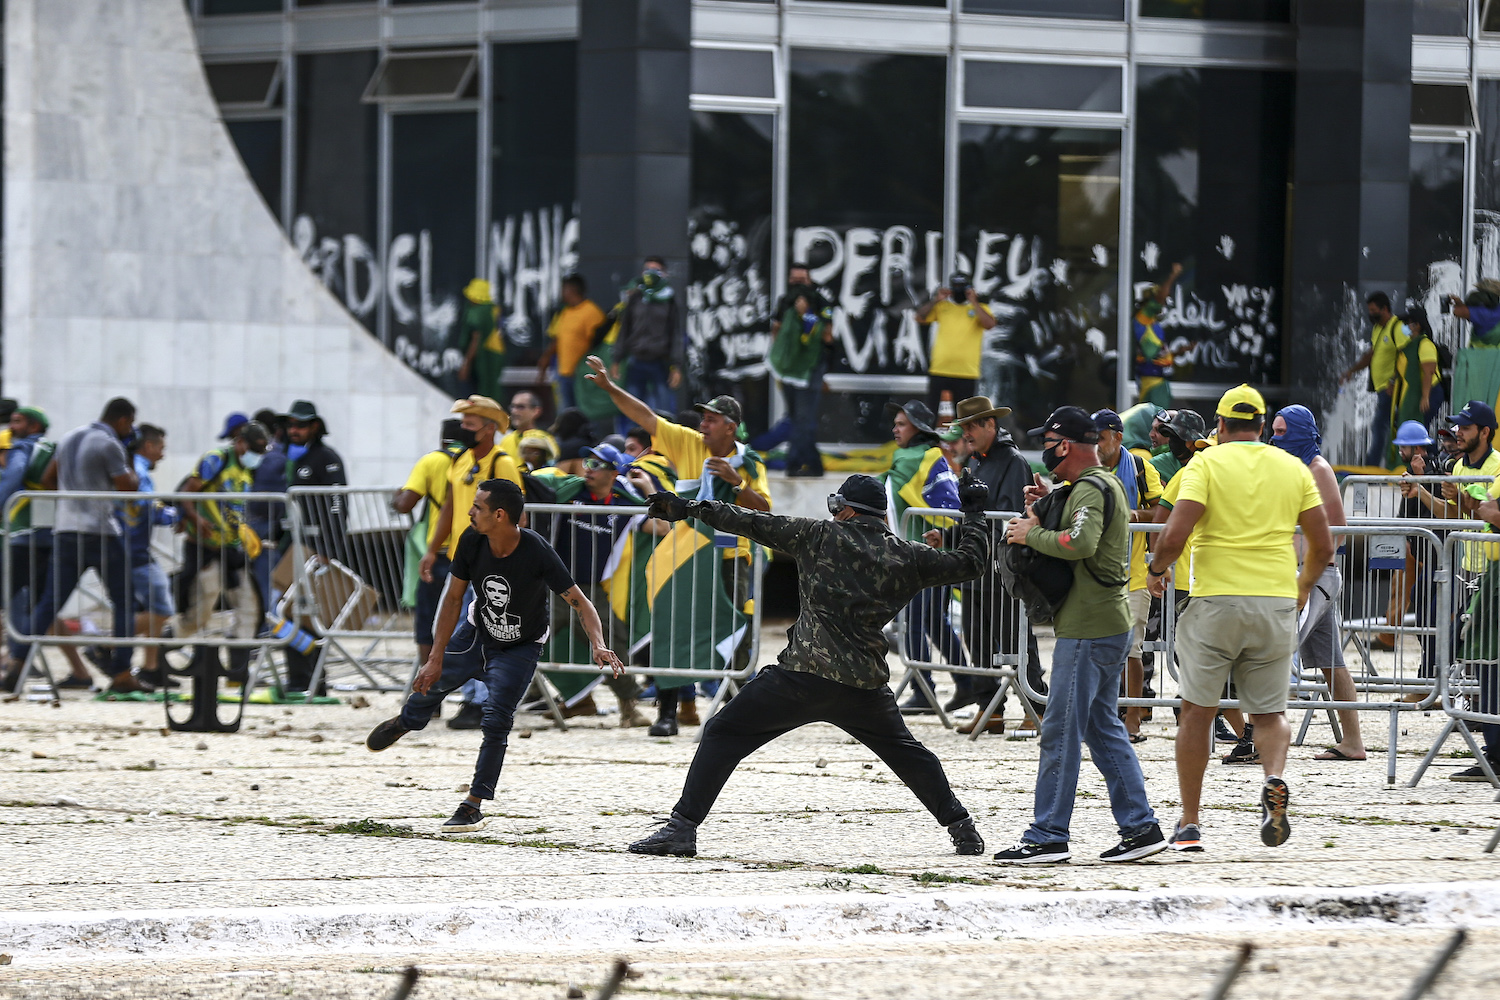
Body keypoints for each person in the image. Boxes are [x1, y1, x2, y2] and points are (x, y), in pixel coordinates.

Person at [625, 473, 992, 858]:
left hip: (802, 676)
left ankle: (681, 829)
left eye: (836, 507)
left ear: (847, 510)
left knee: (721, 734)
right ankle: (962, 828)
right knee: (908, 754)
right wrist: (974, 511)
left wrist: (690, 508)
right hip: (863, 686)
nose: (833, 514)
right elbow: (970, 562)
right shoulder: (908, 555)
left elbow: (750, 521)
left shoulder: (817, 535)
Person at [366, 479, 625, 833]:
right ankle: (406, 722)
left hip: (520, 647)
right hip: (475, 635)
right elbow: (453, 599)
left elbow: (581, 601)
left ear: (499, 515)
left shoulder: (536, 551)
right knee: (427, 688)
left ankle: (473, 804)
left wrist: (597, 643)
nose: (470, 513)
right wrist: (435, 656)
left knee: (497, 719)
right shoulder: (472, 541)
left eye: (477, 508)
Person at [1147, 385, 1334, 852]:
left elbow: (1173, 533)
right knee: (1269, 715)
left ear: (1222, 425)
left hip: (1215, 602)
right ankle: (1273, 778)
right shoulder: (1292, 468)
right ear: (1261, 424)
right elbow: (1324, 544)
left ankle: (1190, 822)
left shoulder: (1206, 464)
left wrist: (1156, 570)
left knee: (1196, 712)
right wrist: (1304, 586)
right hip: (1274, 601)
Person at [992, 407, 1164, 865]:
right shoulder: (1094, 486)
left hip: (1088, 629)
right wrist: (1046, 504)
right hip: (1101, 624)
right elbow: (1079, 529)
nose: (1043, 450)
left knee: (1061, 729)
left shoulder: (1091, 486)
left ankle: (1048, 834)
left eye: (1047, 441)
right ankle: (1141, 827)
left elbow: (1080, 543)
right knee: (1101, 727)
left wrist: (1030, 535)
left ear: (1064, 445)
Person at [584, 356, 770, 735]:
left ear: (731, 427)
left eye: (711, 420)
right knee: (671, 629)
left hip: (730, 557)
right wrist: (608, 388)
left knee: (736, 631)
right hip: (683, 557)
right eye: (703, 418)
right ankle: (668, 713)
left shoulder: (750, 462)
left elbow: (765, 509)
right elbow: (647, 415)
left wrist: (736, 482)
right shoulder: (688, 443)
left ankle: (735, 714)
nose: (703, 425)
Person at [19, 399, 142, 692]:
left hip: (65, 529)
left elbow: (50, 479)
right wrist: (131, 455)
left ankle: (16, 662)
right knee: (124, 601)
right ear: (124, 420)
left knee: (49, 602)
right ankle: (122, 671)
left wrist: (73, 499)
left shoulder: (70, 436)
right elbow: (129, 487)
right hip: (100, 531)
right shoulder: (109, 444)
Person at [421, 396, 526, 728]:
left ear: (489, 428)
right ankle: (468, 697)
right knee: (458, 630)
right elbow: (449, 509)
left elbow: (517, 515)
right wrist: (432, 549)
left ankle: (480, 702)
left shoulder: (503, 463)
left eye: (469, 424)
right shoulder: (460, 460)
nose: (462, 429)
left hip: (491, 561)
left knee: (483, 633)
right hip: (461, 559)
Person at [529, 442, 651, 727]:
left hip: (592, 589)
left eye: (597, 465)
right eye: (587, 462)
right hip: (555, 585)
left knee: (610, 644)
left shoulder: (624, 504)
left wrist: (647, 490)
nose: (588, 469)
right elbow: (537, 486)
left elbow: (661, 526)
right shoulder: (570, 494)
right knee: (528, 638)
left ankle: (628, 707)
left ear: (613, 473)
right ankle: (573, 698)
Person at [1270, 405, 1364, 761]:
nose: (1275, 439)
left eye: (1281, 432)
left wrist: (1302, 568)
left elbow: (1336, 529)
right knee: (1331, 661)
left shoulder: (1318, 468)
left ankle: (1260, 733)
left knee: (1274, 650)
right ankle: (1352, 741)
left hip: (1315, 576)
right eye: (1273, 431)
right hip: (1308, 574)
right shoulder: (1294, 467)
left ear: (1297, 431)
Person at [946, 396, 1045, 730]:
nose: (967, 432)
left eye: (973, 425)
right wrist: (947, 539)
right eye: (964, 427)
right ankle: (990, 709)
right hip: (977, 564)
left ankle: (1037, 707)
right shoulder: (975, 462)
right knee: (977, 639)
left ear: (991, 424)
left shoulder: (1012, 461)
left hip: (1002, 565)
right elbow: (973, 516)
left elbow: (1006, 513)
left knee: (1015, 637)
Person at [882, 400, 965, 713]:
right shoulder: (934, 456)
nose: (895, 429)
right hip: (942, 552)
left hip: (921, 554)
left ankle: (923, 691)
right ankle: (968, 682)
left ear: (917, 427)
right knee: (934, 622)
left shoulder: (911, 457)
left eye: (901, 424)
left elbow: (883, 493)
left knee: (914, 622)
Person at [176, 420, 270, 686]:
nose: (257, 456)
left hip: (231, 550)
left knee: (250, 607)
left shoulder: (246, 471)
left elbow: (235, 506)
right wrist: (195, 518)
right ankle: (165, 645)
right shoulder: (216, 460)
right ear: (240, 443)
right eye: (254, 449)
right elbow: (187, 492)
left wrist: (243, 531)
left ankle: (237, 675)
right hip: (205, 548)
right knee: (200, 612)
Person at [1093, 408, 1162, 740]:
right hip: (1094, 573)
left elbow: (1162, 512)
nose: (1096, 445)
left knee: (1132, 648)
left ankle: (1133, 714)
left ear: (1118, 437)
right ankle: (1102, 713)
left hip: (1134, 572)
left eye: (1101, 438)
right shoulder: (1087, 469)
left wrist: (1134, 513)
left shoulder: (1138, 467)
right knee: (1096, 646)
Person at [282, 400, 350, 693]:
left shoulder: (326, 458)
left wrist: (329, 549)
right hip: (291, 546)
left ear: (315, 427)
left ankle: (311, 680)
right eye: (291, 425)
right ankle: (300, 678)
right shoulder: (289, 457)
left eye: (301, 425)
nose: (294, 430)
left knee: (308, 614)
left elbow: (337, 505)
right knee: (286, 612)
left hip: (314, 548)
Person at [395, 419, 466, 673]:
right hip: (471, 551)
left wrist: (396, 495)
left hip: (440, 551)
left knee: (428, 621)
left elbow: (405, 504)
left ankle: (429, 689)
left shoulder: (432, 461)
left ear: (442, 438)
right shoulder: (475, 462)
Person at [0, 405, 55, 690]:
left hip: (23, 535)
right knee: (41, 605)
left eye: (17, 421)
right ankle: (18, 665)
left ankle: (15, 665)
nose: (11, 426)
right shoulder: (51, 448)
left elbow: (13, 477)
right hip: (51, 537)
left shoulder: (22, 448)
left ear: (34, 426)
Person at [122, 424, 178, 688]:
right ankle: (105, 643)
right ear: (148, 446)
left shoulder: (132, 466)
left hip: (132, 548)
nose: (163, 455)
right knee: (163, 608)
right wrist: (178, 516)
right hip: (134, 550)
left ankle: (151, 668)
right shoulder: (139, 469)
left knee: (150, 608)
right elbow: (148, 508)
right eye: (161, 448)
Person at [767, 286, 833, 478]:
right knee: (797, 420)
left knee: (804, 420)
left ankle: (796, 462)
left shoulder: (819, 311)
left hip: (809, 373)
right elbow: (777, 334)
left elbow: (827, 337)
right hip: (788, 372)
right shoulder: (785, 309)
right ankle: (813, 463)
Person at [1340, 292, 1409, 468]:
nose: (1370, 314)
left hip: (1393, 388)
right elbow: (1371, 354)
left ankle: (1374, 465)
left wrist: (1394, 381)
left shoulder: (1398, 327)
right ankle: (1382, 463)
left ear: (1385, 309)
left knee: (1380, 426)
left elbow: (1406, 354)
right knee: (1383, 426)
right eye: (1369, 310)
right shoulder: (1378, 328)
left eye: (1373, 310)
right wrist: (1352, 371)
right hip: (1382, 388)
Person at [612, 257, 684, 419]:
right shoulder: (636, 297)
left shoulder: (669, 299)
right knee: (632, 409)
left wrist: (677, 366)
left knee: (664, 412)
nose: (650, 274)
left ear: (664, 274)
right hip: (636, 360)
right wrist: (617, 359)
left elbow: (676, 333)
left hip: (660, 361)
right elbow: (624, 329)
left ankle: (664, 444)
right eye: (647, 269)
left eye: (655, 270)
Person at [916, 272, 996, 412]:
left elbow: (989, 324)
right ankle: (929, 435)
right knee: (930, 413)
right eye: (956, 286)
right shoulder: (942, 307)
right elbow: (919, 317)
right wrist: (936, 299)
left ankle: (961, 435)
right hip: (940, 369)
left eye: (962, 287)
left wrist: (974, 302)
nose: (959, 290)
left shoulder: (980, 308)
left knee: (963, 417)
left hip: (966, 371)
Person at [537, 274, 608, 412]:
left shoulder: (591, 312)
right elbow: (557, 339)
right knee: (565, 410)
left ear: (571, 289)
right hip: (563, 371)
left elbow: (598, 343)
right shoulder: (565, 311)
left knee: (584, 411)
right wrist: (545, 358)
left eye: (563, 289)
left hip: (582, 373)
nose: (561, 293)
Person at [1131, 264, 1184, 407]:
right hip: (1151, 381)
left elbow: (1157, 354)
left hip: (1159, 379)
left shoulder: (1154, 324)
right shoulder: (1142, 319)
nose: (1163, 302)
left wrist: (1179, 352)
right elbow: (1160, 297)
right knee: (1155, 420)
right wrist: (1173, 275)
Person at [1395, 307, 1444, 430]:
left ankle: (1431, 450)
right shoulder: (1410, 345)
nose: (1405, 327)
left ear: (1417, 325)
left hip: (1430, 392)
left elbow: (1429, 372)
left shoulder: (1425, 344)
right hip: (1418, 392)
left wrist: (1425, 397)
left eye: (1407, 324)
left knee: (1420, 429)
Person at [457, 279, 504, 399]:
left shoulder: (477, 313)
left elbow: (475, 340)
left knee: (478, 393)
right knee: (492, 390)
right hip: (496, 353)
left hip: (481, 357)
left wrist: (466, 364)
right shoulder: (494, 309)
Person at [1149, 408, 1205, 486]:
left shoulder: (1205, 465)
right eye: (1171, 435)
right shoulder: (1156, 465)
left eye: (1179, 437)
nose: (1173, 440)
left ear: (1194, 441)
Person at [498, 391, 556, 466]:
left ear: (536, 411)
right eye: (512, 407)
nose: (514, 411)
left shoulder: (545, 439)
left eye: (520, 407)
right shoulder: (506, 440)